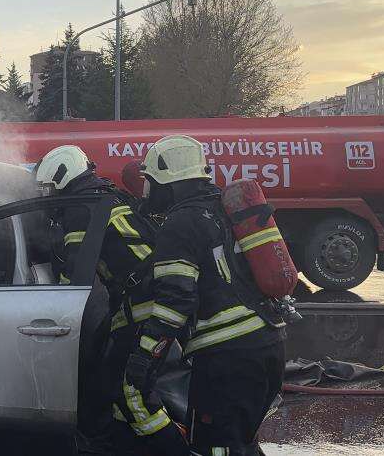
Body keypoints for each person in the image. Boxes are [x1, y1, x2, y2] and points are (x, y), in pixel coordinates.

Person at [129, 135, 286, 456]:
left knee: (216, 449)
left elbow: (176, 300)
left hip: (228, 360)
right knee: (241, 443)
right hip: (268, 346)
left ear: (167, 183)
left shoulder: (180, 222)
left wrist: (145, 356)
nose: (146, 190)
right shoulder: (224, 209)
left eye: (150, 181)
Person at [34, 146, 186, 456]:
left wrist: (47, 302)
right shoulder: (107, 196)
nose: (46, 196)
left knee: (128, 390)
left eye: (47, 188)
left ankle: (175, 448)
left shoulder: (82, 208)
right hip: (151, 299)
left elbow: (75, 273)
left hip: (147, 304)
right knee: (108, 379)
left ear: (62, 176)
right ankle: (122, 446)